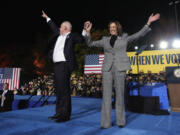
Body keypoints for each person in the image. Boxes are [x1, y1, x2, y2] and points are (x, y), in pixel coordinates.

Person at [83, 13, 160, 128]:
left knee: (119, 95)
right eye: (110, 27)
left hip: (120, 68)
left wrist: (148, 23)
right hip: (107, 69)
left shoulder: (124, 38)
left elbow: (138, 35)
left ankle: (120, 121)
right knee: (106, 96)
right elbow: (90, 43)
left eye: (114, 27)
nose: (112, 29)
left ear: (117, 28)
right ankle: (105, 123)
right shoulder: (104, 40)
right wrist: (87, 32)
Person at [41, 10, 84, 122]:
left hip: (65, 66)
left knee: (64, 91)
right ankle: (58, 113)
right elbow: (53, 27)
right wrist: (47, 18)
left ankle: (65, 115)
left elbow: (81, 39)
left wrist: (85, 31)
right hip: (57, 66)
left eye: (61, 27)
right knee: (58, 90)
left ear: (66, 28)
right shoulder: (58, 35)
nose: (59, 29)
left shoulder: (72, 36)